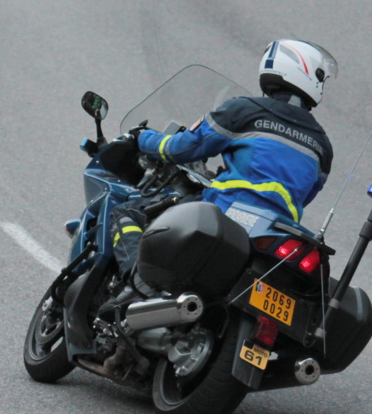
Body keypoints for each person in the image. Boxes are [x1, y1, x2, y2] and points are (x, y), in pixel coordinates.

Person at [110, 39, 336, 284]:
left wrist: (142, 138)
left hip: (224, 212)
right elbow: (305, 195)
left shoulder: (245, 111)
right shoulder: (323, 145)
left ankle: (136, 283)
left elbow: (182, 148)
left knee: (126, 213)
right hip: (277, 235)